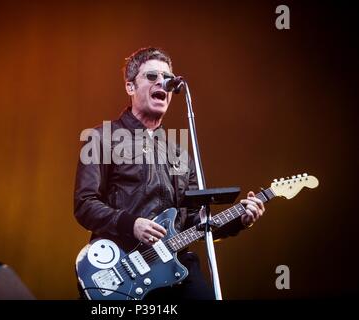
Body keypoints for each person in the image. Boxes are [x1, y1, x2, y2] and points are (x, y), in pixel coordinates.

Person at [74, 47, 265, 300]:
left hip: (176, 267)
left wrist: (240, 220)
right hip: (123, 265)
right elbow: (84, 204)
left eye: (167, 77)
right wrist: (132, 224)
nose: (162, 82)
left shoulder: (180, 153)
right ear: (130, 87)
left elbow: (197, 223)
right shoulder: (101, 138)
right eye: (152, 76)